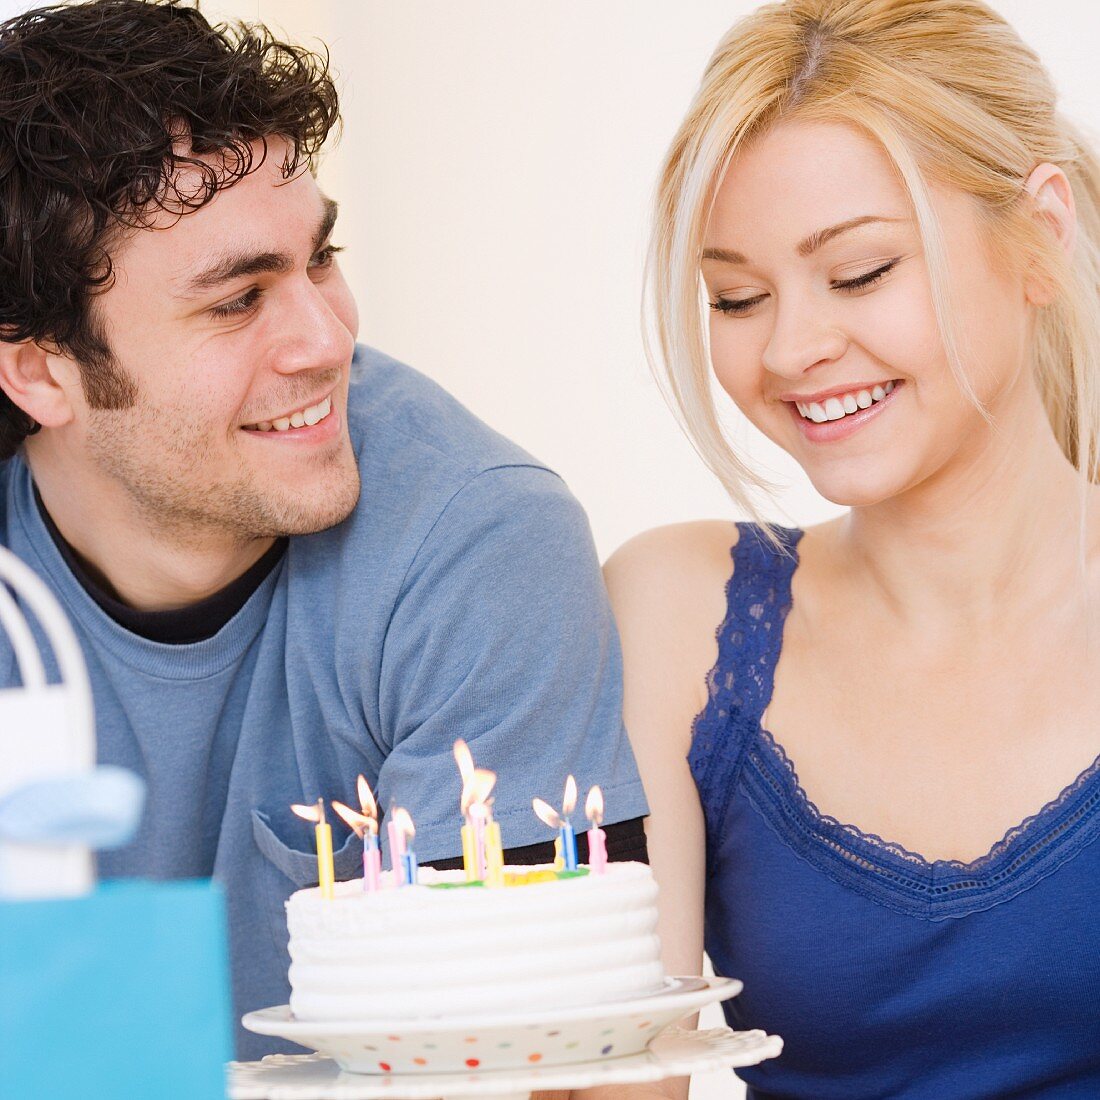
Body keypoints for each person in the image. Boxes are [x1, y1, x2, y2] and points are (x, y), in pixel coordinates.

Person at [0, 0, 649, 1059]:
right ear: (38, 370)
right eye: (235, 300)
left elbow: (558, 1070)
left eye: (319, 257)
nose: (327, 336)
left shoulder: (477, 541)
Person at [606, 0, 1100, 1096]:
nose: (789, 348)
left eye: (860, 271)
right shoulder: (675, 613)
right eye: (735, 295)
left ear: (1041, 238)